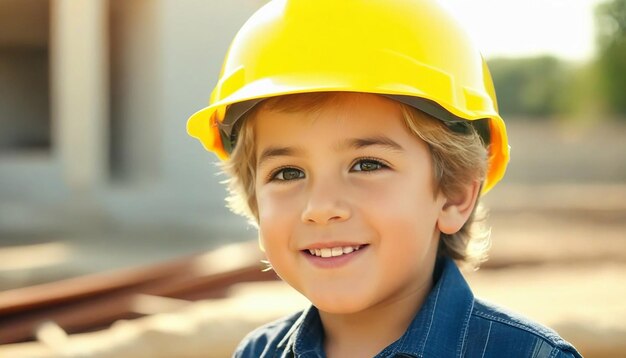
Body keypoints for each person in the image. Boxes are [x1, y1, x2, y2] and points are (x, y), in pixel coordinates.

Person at [187, 0, 583, 357]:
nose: (321, 207)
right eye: (288, 173)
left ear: (454, 194)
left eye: (366, 165)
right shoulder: (258, 353)